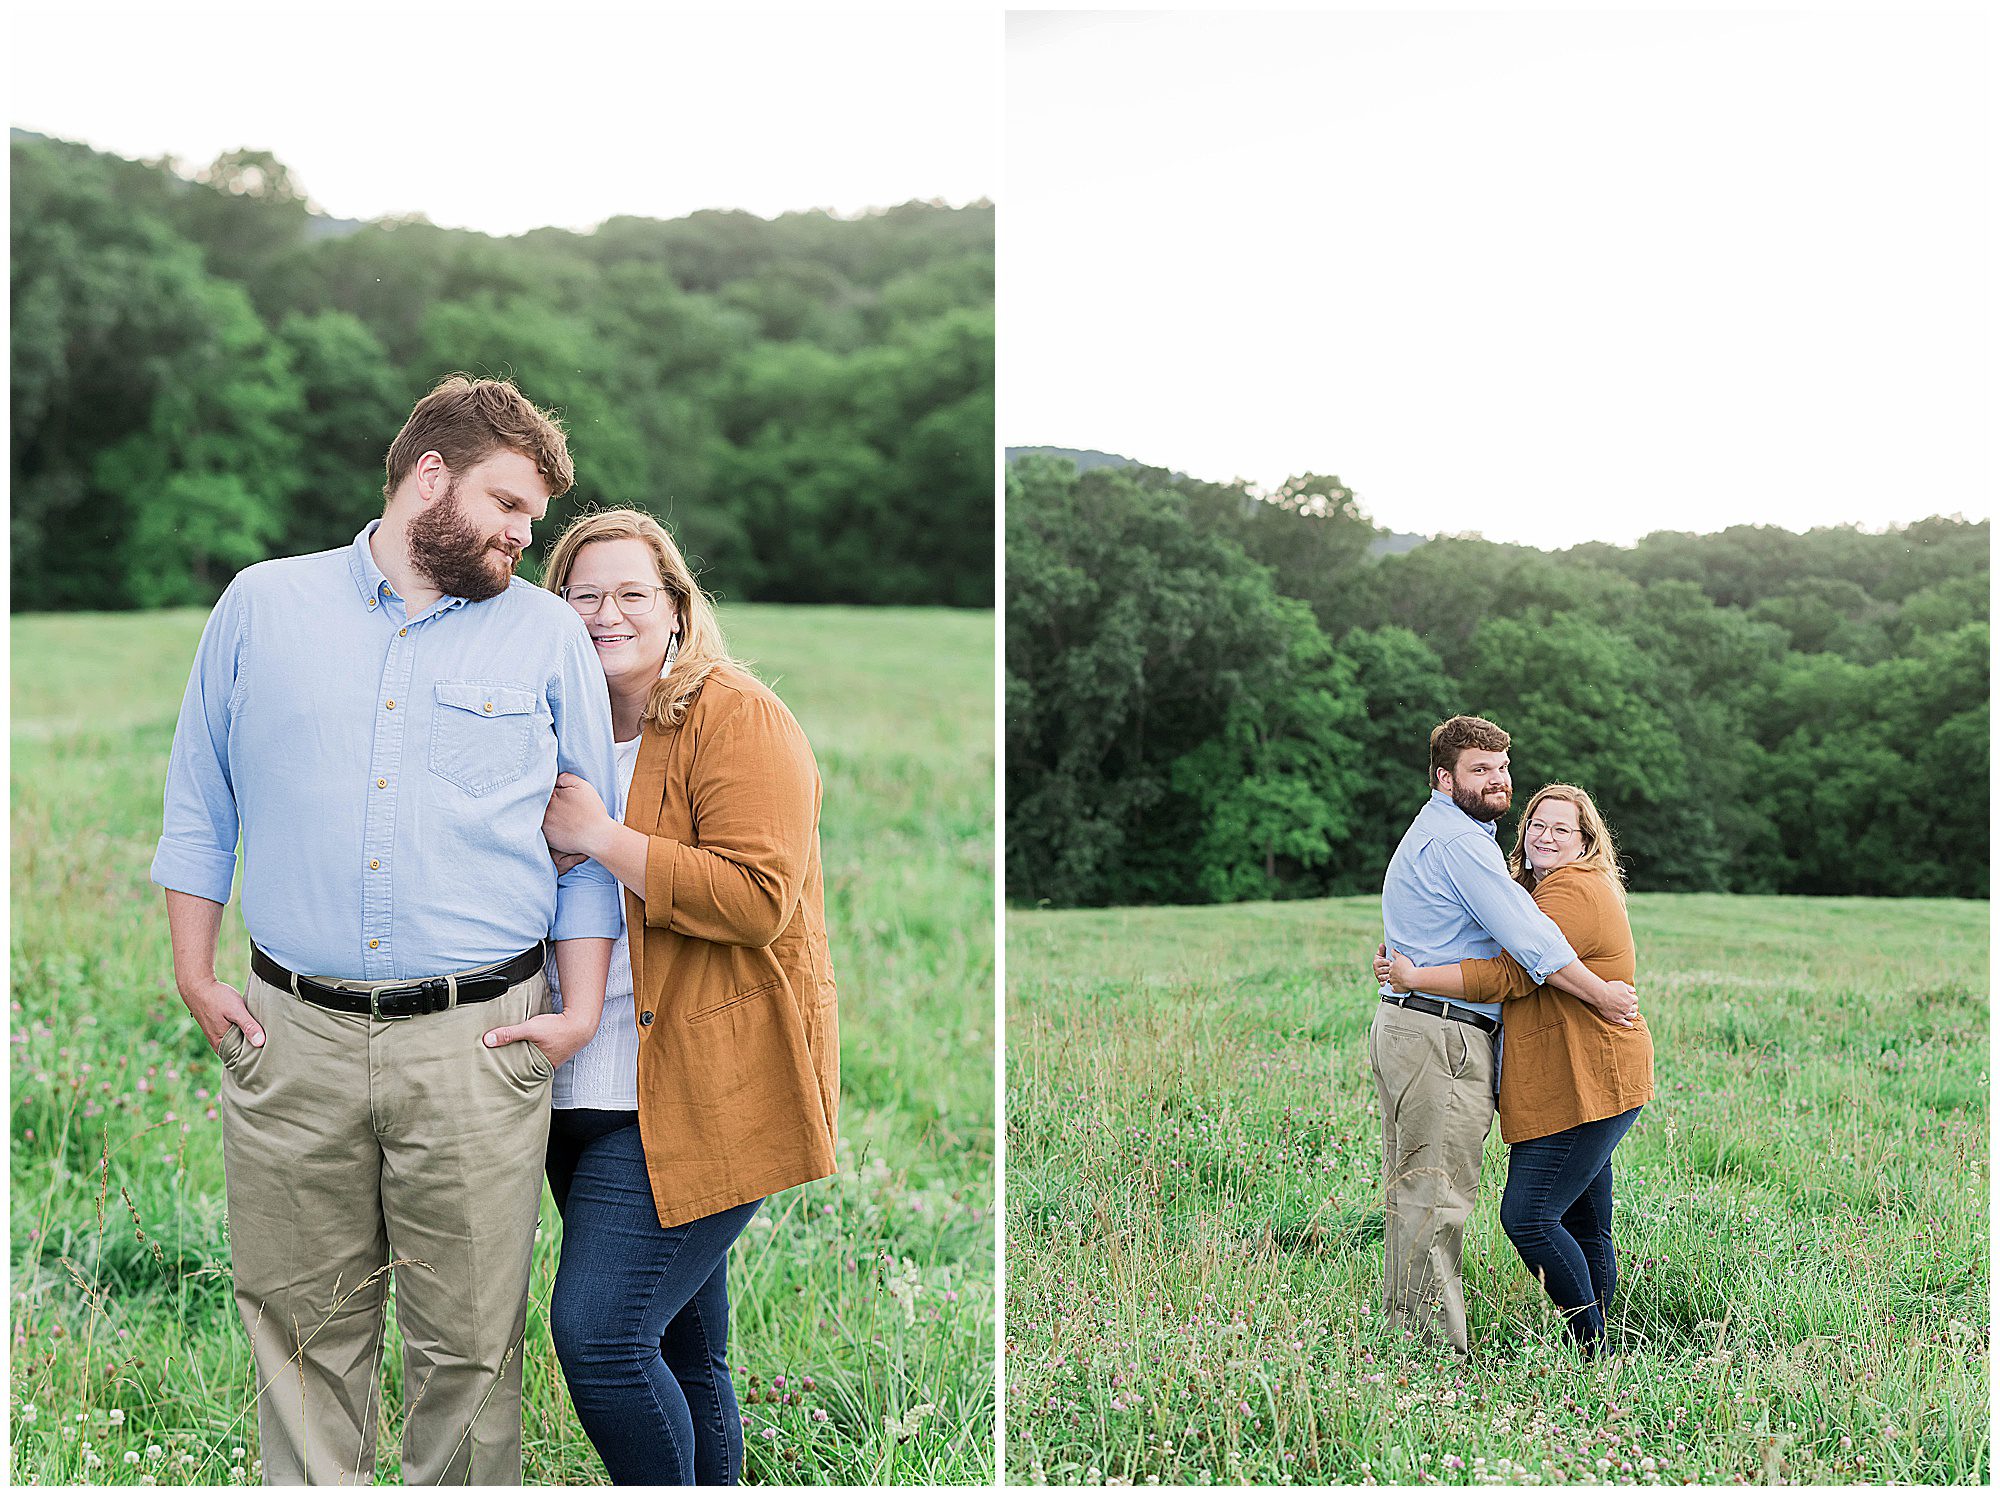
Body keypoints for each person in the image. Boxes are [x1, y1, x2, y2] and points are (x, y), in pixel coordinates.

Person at [151, 375, 621, 1485]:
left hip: (479, 1039)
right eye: (506, 505)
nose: (522, 536)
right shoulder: (262, 604)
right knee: (306, 1336)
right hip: (288, 1034)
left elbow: (590, 844)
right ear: (428, 475)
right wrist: (193, 972)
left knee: (467, 1346)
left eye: (531, 519)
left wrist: (581, 1012)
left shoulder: (548, 638)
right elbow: (197, 802)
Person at [535, 508, 839, 1485]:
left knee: (601, 1335)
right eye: (582, 593)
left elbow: (759, 897)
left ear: (675, 607)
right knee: (681, 1348)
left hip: (696, 1088)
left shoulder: (731, 712)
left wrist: (602, 834)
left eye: (631, 592)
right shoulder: (551, 726)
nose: (604, 613)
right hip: (571, 1087)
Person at [1372, 715, 1639, 1356]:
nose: (1496, 781)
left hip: (1454, 1035)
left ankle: (1600, 1348)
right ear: (1444, 778)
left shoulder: (1521, 867)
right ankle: (1430, 1357)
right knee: (1436, 1197)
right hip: (1439, 1034)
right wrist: (1601, 993)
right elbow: (1526, 952)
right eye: (1479, 770)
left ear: (1586, 840)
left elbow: (1520, 951)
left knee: (1507, 1207)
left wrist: (1413, 970)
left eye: (1501, 768)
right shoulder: (1461, 843)